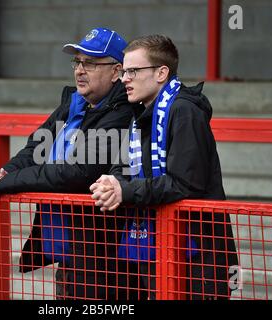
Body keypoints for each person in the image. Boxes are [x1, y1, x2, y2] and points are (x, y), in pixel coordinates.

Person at [0, 28, 136, 299]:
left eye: (91, 63)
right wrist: (3, 172)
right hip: (72, 245)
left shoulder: (123, 112)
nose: (80, 70)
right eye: (78, 62)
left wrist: (7, 183)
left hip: (105, 251)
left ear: (116, 71)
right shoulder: (74, 104)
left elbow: (76, 172)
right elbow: (36, 147)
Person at [90, 34, 239, 300]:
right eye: (124, 71)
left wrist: (124, 191)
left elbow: (183, 183)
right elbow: (123, 166)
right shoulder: (141, 113)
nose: (124, 78)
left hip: (197, 253)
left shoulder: (185, 111)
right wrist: (111, 183)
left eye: (133, 71)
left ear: (161, 73)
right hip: (157, 245)